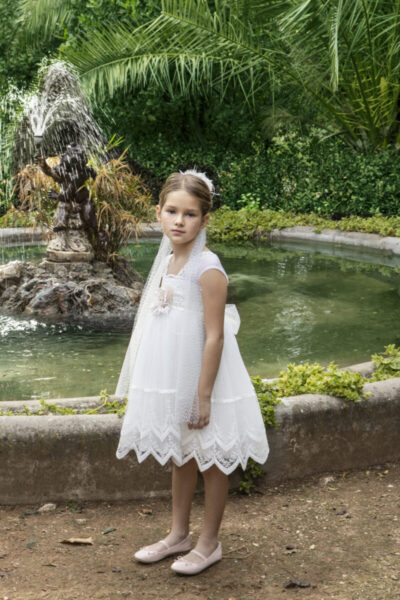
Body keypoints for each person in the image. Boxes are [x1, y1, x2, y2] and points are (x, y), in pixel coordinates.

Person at [115, 169, 269, 575]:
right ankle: (178, 534)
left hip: (206, 376)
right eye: (172, 211)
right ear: (158, 213)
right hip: (174, 371)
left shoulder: (207, 266)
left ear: (204, 220)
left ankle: (209, 542)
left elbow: (215, 336)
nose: (179, 221)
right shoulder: (168, 261)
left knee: (211, 457)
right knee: (180, 454)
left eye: (190, 214)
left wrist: (203, 394)